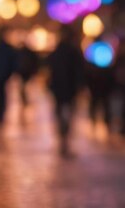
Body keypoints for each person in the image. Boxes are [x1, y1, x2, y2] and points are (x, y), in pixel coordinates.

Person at [47, 26, 84, 157]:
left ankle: (63, 136)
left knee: (61, 112)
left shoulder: (58, 50)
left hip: (61, 87)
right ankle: (64, 136)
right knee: (68, 113)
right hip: (67, 88)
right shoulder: (73, 51)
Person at [85, 60, 115, 133]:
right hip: (99, 91)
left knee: (103, 106)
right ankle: (98, 123)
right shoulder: (97, 69)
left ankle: (105, 123)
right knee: (101, 106)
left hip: (100, 91)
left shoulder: (94, 69)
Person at [16, 44, 39, 120]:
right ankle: (24, 96)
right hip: (27, 72)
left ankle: (24, 96)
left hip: (23, 72)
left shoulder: (20, 53)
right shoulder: (29, 53)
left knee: (24, 85)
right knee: (25, 85)